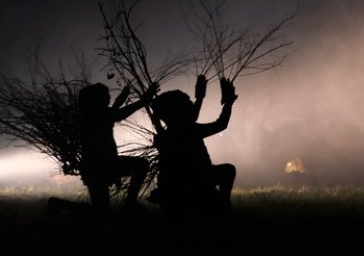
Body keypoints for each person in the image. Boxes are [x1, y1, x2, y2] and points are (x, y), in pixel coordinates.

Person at [47, 81, 158, 214]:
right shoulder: (96, 115)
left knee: (101, 211)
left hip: (94, 167)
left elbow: (113, 112)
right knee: (141, 165)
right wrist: (143, 100)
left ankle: (58, 204)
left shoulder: (90, 114)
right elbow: (116, 114)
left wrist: (122, 98)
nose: (108, 98)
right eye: (105, 95)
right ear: (97, 99)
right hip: (101, 166)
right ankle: (130, 203)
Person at [149, 75, 237, 219]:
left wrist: (200, 99)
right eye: (187, 104)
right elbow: (221, 124)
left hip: (172, 189)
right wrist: (228, 103)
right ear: (180, 112)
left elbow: (187, 118)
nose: (191, 106)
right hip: (196, 186)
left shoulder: (163, 136)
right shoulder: (190, 130)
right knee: (228, 170)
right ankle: (223, 204)